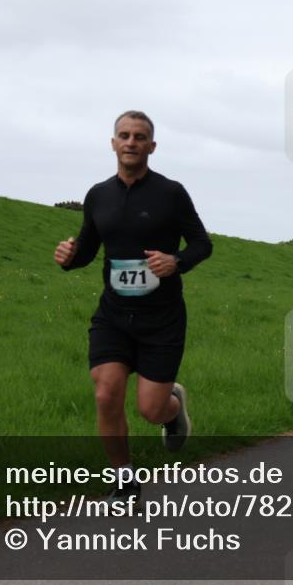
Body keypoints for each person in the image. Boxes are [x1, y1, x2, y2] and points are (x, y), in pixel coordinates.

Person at [54, 110, 213, 501]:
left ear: (151, 146)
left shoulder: (171, 193)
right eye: (124, 135)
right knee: (106, 393)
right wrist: (69, 258)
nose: (131, 142)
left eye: (139, 137)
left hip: (162, 319)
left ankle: (172, 409)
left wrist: (176, 261)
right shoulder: (98, 195)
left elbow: (202, 244)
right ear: (113, 143)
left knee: (150, 410)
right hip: (113, 316)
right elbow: (87, 249)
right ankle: (124, 480)